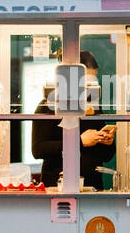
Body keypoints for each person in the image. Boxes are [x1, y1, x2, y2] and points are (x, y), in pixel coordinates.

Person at [31, 50, 115, 190]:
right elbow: (38, 149)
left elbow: (106, 156)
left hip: (92, 186)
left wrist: (107, 141)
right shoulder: (49, 106)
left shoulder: (93, 106)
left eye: (93, 82)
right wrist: (80, 141)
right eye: (86, 81)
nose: (89, 87)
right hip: (57, 186)